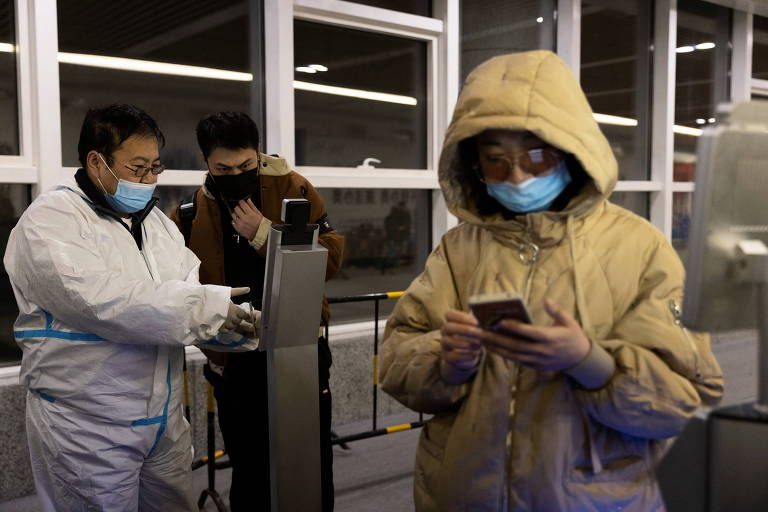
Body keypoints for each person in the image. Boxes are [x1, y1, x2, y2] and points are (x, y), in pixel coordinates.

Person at [380, 50, 724, 511]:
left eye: (536, 157)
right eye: (495, 160)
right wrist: (447, 359)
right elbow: (395, 359)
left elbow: (685, 396)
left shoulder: (639, 248)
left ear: (572, 151)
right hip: (466, 494)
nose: (517, 176)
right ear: (473, 165)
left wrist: (590, 362)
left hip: (593, 497)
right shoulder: (460, 250)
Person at [3, 104, 255, 511]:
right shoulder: (51, 223)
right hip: (88, 424)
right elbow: (105, 301)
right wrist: (206, 309)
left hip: (164, 419)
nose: (150, 179)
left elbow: (181, 295)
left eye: (156, 167)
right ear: (96, 162)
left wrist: (237, 324)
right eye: (138, 168)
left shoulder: (156, 224)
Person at [171, 111, 345, 511]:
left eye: (246, 165)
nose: (236, 173)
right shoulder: (190, 213)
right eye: (224, 168)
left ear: (258, 153)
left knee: (310, 461)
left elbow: (331, 259)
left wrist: (265, 233)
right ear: (206, 163)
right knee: (249, 468)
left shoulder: (294, 190)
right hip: (234, 360)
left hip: (297, 351)